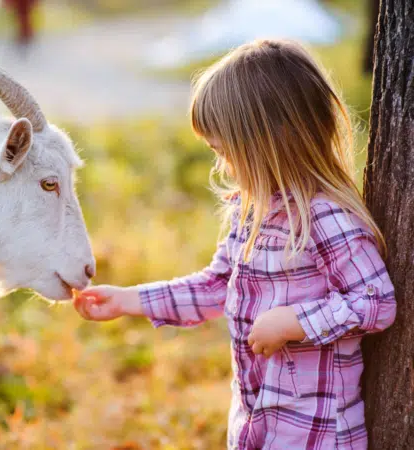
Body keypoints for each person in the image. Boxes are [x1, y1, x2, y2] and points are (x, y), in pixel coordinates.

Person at [73, 39, 396, 449]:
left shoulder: (325, 218)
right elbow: (215, 286)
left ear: (271, 141)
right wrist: (129, 300)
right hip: (257, 419)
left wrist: (296, 322)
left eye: (225, 152)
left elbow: (376, 300)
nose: (222, 166)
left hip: (315, 434)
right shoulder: (251, 213)